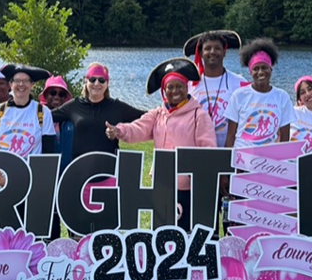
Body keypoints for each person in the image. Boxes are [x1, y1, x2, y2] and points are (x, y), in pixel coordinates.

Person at [107, 58, 217, 232]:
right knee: (160, 233)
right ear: (164, 91)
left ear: (186, 87)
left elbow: (209, 150)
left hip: (187, 188)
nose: (175, 91)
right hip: (161, 184)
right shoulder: (158, 114)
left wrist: (200, 178)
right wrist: (119, 130)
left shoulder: (199, 115)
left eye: (179, 86)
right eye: (170, 87)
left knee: (186, 233)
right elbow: (137, 128)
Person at [51, 63, 145, 220]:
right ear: (85, 81)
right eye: (92, 79)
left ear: (107, 84)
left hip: (108, 176)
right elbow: (47, 115)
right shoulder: (74, 106)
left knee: (105, 228)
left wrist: (119, 130)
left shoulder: (116, 107)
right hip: (79, 177)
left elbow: (144, 118)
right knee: (78, 228)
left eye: (102, 80)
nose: (96, 84)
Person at [0, 65, 57, 237]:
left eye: (25, 81)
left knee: (34, 233)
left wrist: (36, 181)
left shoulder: (42, 112)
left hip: (32, 183)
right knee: (5, 234)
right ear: (10, 84)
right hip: (1, 183)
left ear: (32, 85)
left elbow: (48, 152)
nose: (20, 85)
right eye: (16, 81)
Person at [183, 30, 249, 148]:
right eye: (207, 48)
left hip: (231, 151)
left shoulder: (240, 83)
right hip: (197, 150)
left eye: (217, 48)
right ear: (201, 53)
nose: (212, 52)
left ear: (224, 52)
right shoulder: (189, 85)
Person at [225, 38, 293, 147]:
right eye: (256, 69)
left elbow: (285, 138)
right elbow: (231, 135)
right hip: (242, 155)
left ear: (271, 69)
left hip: (268, 158)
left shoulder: (282, 97)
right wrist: (226, 159)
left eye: (264, 67)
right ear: (250, 72)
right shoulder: (239, 95)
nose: (260, 72)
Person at [39, 76, 74, 169]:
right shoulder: (37, 117)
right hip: (44, 169)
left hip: (68, 172)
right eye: (53, 93)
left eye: (61, 94)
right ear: (46, 95)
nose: (57, 97)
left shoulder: (71, 119)